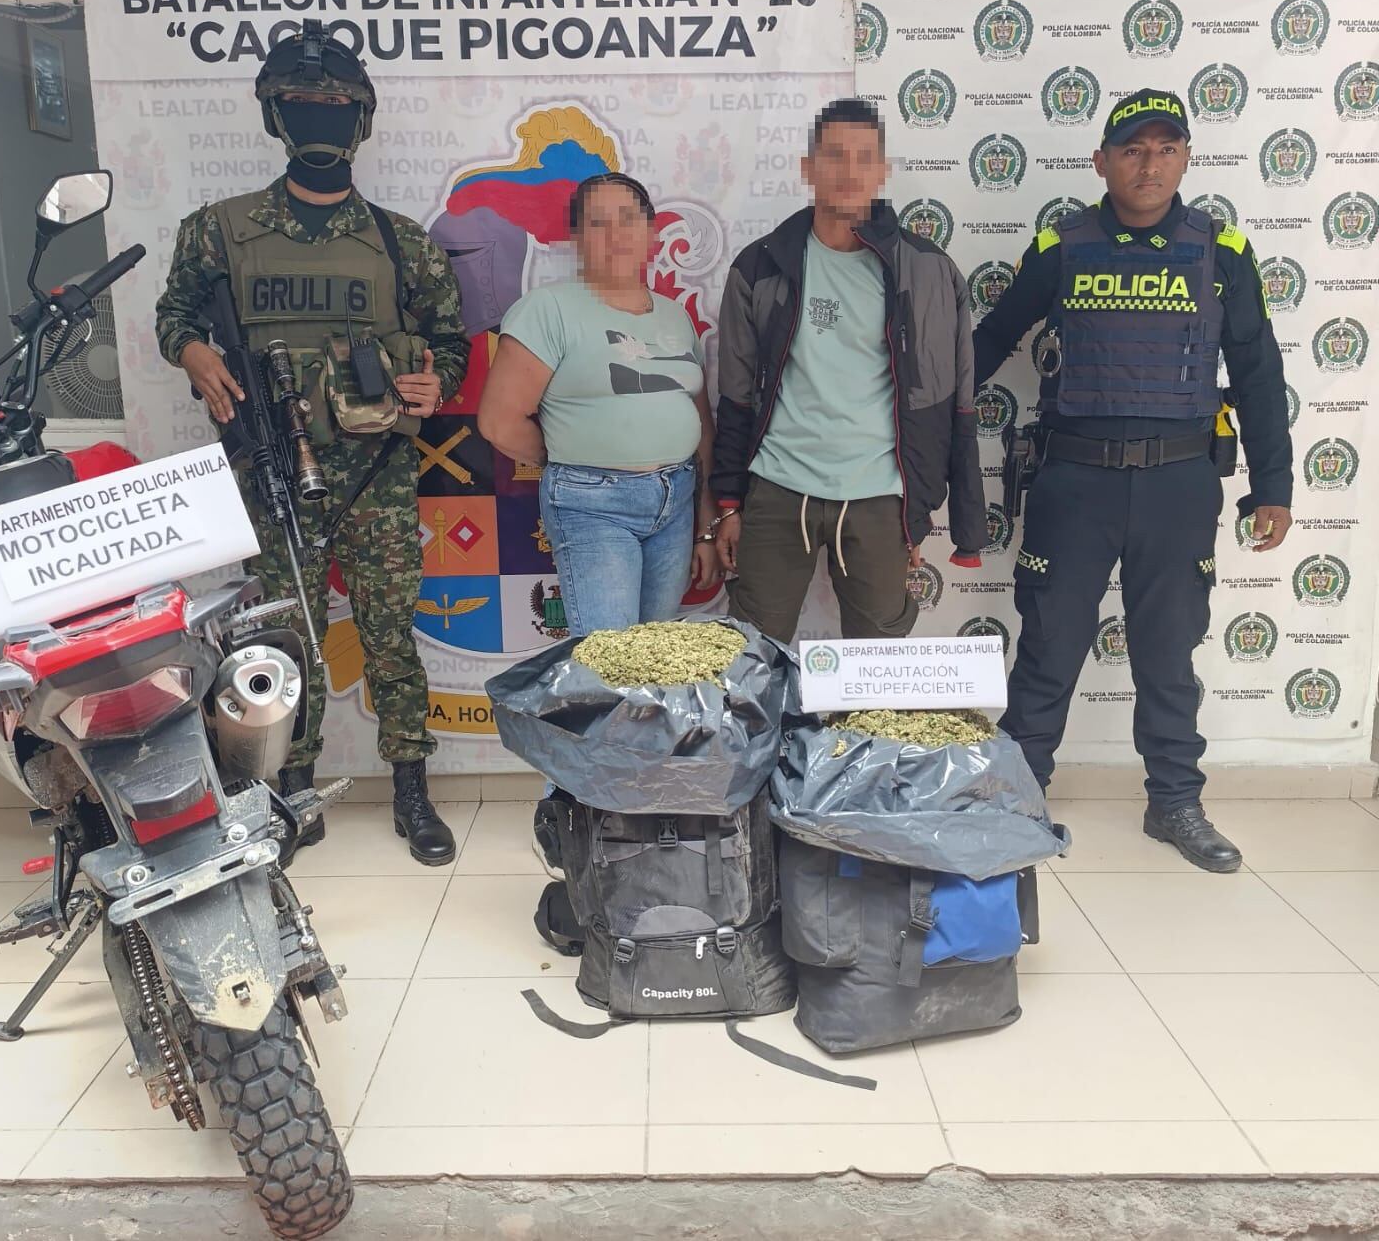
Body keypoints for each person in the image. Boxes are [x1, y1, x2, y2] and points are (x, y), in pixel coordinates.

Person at [155, 22, 470, 867]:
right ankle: (292, 788)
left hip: (377, 468)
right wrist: (193, 353)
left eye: (336, 105)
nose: (320, 119)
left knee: (389, 631)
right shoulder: (218, 232)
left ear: (360, 120)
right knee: (287, 635)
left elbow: (451, 339)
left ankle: (410, 784)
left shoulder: (402, 241)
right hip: (271, 471)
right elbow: (174, 316)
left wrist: (434, 379)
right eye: (304, 105)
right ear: (275, 117)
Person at [974, 89, 1294, 873]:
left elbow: (1256, 371)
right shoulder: (1063, 243)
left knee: (1167, 649)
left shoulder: (1222, 252)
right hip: (1073, 480)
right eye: (1131, 149)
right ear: (1102, 161)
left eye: (1164, 147)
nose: (1148, 164)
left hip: (1180, 483)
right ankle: (1020, 796)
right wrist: (919, 445)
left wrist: (1274, 486)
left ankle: (1175, 800)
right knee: (1048, 646)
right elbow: (986, 343)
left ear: (1185, 157)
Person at [710, 99, 986, 644]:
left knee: (876, 670)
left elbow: (952, 405)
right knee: (752, 663)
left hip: (880, 497)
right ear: (809, 168)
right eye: (834, 156)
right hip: (778, 487)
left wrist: (922, 508)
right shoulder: (760, 266)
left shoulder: (930, 271)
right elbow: (736, 396)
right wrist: (727, 503)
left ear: (883, 172)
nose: (849, 172)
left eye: (864, 158)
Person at [478, 173, 718, 636]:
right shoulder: (548, 310)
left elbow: (701, 423)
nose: (616, 235)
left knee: (655, 655)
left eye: (629, 220)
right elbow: (498, 422)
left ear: (651, 232)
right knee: (609, 665)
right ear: (577, 237)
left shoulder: (675, 314)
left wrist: (705, 523)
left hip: (677, 501)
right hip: (594, 507)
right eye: (598, 222)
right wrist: (584, 458)